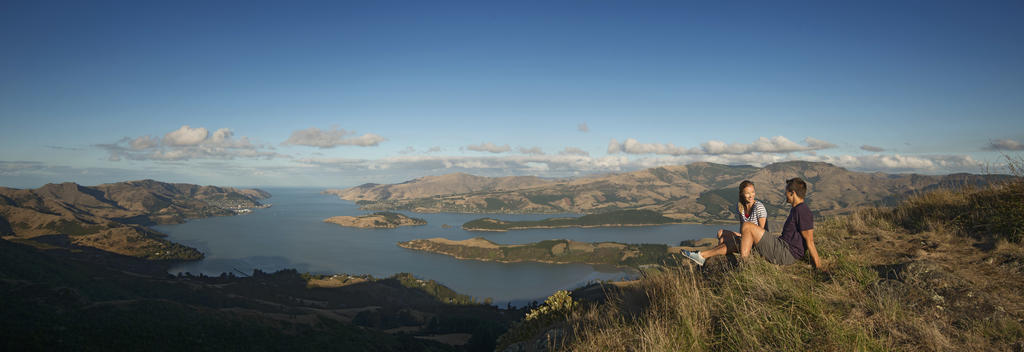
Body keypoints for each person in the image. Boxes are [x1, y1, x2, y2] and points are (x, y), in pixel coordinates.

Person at [681, 177, 823, 271]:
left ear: (792, 193)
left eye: (786, 192)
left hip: (787, 254)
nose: (784, 194)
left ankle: (745, 266)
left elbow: (809, 241)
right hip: (781, 246)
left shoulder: (802, 211)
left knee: (747, 227)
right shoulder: (796, 210)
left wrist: (819, 267)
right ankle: (701, 256)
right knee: (735, 240)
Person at [711, 180, 767, 253]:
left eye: (753, 192)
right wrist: (741, 238)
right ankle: (723, 257)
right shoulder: (741, 207)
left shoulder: (758, 207)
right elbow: (742, 226)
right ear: (742, 194)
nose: (751, 196)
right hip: (745, 235)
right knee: (720, 233)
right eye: (747, 193)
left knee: (723, 240)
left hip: (756, 238)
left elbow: (762, 231)